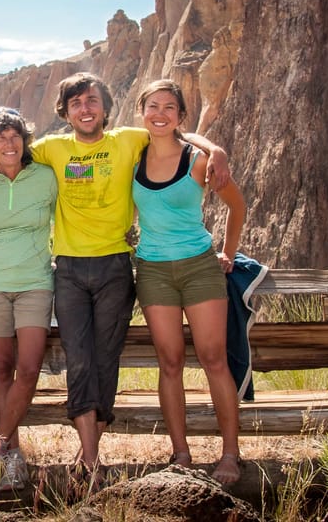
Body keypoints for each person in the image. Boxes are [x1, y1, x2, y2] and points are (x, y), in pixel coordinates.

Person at [0, 72, 230, 483]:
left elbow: (175, 131)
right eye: (77, 102)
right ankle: (90, 459)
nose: (86, 108)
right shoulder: (51, 148)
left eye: (93, 100)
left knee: (106, 358)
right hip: (67, 268)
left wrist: (216, 148)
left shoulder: (126, 140)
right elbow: (9, 152)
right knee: (79, 359)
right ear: (65, 111)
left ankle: (89, 457)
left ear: (105, 107)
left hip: (116, 265)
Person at [131, 79, 245, 484]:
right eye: (152, 107)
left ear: (180, 115)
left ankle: (230, 455)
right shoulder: (133, 157)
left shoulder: (198, 161)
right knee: (170, 362)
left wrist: (228, 252)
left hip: (199, 266)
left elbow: (237, 206)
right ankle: (181, 455)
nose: (160, 114)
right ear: (141, 112)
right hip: (153, 270)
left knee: (214, 359)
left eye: (169, 108)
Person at [0, 107, 57, 492]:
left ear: (25, 140)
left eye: (15, 135)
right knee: (1, 370)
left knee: (29, 370)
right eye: (0, 136)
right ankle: (12, 459)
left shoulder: (46, 178)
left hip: (36, 282)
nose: (9, 142)